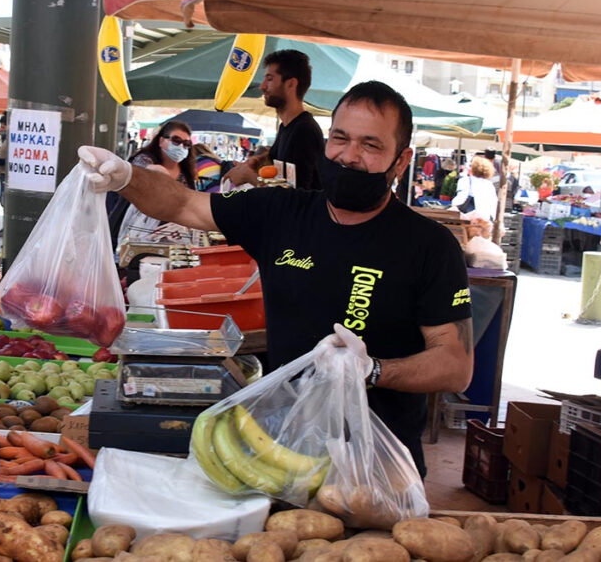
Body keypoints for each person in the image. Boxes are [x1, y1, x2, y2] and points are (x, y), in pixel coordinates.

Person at [80, 80, 474, 476]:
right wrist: (128, 178)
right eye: (340, 138)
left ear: (402, 160)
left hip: (378, 464)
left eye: (371, 145)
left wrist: (371, 371)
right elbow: (184, 203)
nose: (349, 156)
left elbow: (455, 364)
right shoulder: (280, 212)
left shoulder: (430, 246)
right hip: (281, 452)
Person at [223, 50, 325, 189]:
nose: (262, 86)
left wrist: (250, 177)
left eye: (269, 79)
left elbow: (296, 196)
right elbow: (274, 159)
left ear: (291, 84)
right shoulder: (286, 127)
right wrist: (257, 161)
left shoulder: (304, 131)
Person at [109, 120, 197, 245]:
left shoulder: (186, 173)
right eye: (176, 141)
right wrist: (158, 171)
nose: (181, 146)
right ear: (161, 141)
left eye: (186, 143)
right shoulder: (145, 159)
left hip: (172, 235)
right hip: (136, 231)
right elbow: (139, 168)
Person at [451, 156, 499, 221]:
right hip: (485, 220)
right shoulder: (490, 185)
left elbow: (460, 199)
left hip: (468, 219)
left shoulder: (465, 180)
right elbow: (493, 205)